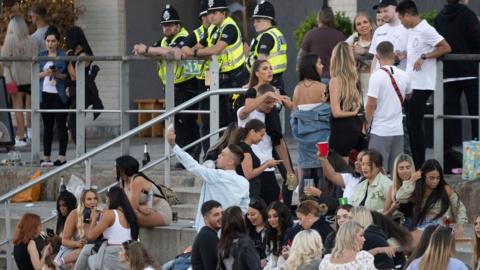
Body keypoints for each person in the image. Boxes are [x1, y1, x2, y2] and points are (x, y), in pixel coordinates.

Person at [133, 4, 199, 162]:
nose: (167, 28)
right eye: (164, 25)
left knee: (187, 123)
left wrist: (147, 49)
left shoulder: (185, 37)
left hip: (187, 86)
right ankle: (185, 157)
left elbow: (171, 51)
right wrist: (141, 50)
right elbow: (155, 51)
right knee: (174, 124)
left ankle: (192, 156)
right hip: (172, 88)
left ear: (178, 25)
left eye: (170, 25)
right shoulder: (164, 40)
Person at [396, 0, 452, 170]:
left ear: (407, 14)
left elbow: (446, 47)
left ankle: (420, 165)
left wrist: (426, 57)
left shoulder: (426, 29)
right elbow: (416, 51)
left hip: (422, 84)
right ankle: (417, 163)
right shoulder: (413, 31)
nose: (401, 22)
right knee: (412, 125)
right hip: (411, 84)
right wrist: (404, 54)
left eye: (401, 18)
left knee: (415, 124)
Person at [167, 127, 250, 231]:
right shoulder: (244, 182)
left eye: (223, 155)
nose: (219, 155)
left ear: (231, 162)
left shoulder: (216, 176)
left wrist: (173, 146)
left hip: (209, 229)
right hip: (230, 230)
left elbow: (193, 165)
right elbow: (243, 209)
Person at [242, 61, 297, 207]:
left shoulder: (277, 89)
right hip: (261, 139)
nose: (270, 71)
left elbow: (293, 107)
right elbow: (247, 110)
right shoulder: (252, 91)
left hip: (276, 135)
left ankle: (287, 207)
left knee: (290, 175)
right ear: (256, 73)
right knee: (264, 177)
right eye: (265, 69)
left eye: (271, 68)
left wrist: (283, 99)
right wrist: (266, 95)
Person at [188, 0, 248, 127]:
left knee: (235, 121)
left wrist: (193, 53)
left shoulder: (230, 26)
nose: (210, 16)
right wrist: (186, 51)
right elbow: (198, 46)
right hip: (217, 79)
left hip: (234, 79)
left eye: (214, 12)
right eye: (209, 13)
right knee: (218, 122)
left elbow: (216, 49)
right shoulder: (212, 28)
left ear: (223, 13)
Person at [435, 0, 480, 166]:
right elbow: (477, 41)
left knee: (448, 118)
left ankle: (450, 158)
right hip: (469, 71)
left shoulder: (439, 17)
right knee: (476, 115)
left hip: (447, 73)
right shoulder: (468, 15)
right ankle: (476, 159)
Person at [365, 41, 412, 173]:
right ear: (393, 55)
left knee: (377, 172)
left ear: (378, 57)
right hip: (398, 130)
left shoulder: (376, 76)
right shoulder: (404, 75)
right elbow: (409, 95)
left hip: (379, 130)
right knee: (397, 173)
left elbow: (371, 105)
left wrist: (366, 125)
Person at [290, 53, 330, 197]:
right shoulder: (322, 87)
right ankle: (322, 204)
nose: (322, 66)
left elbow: (294, 114)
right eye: (319, 64)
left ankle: (305, 204)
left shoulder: (297, 88)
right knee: (322, 173)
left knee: (305, 175)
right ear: (312, 67)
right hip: (321, 136)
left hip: (303, 138)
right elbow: (328, 112)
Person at [178, 0, 215, 155]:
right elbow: (183, 49)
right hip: (204, 77)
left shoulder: (221, 30)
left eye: (212, 14)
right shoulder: (198, 33)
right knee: (206, 119)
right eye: (206, 15)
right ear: (201, 17)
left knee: (222, 118)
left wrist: (203, 49)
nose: (209, 18)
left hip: (223, 75)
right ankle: (208, 154)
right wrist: (196, 49)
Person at [73, 186, 139, 270]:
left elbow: (90, 237)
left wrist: (93, 219)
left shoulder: (110, 214)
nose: (106, 201)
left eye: (107, 199)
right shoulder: (130, 215)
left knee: (88, 256)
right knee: (88, 249)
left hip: (113, 256)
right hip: (128, 255)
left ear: (112, 199)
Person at [237, 84, 282, 205]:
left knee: (272, 203)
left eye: (273, 103)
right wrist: (267, 94)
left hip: (268, 170)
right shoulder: (245, 113)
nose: (271, 106)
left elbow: (279, 142)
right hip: (257, 172)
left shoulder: (271, 116)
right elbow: (249, 174)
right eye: (268, 102)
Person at [399, 159, 467, 239]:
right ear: (423, 176)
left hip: (440, 223)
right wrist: (411, 180)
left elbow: (459, 208)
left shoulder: (445, 189)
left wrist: (460, 225)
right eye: (431, 178)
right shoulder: (417, 188)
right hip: (420, 223)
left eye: (437, 178)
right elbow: (400, 198)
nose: (435, 181)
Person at [1, 16, 38, 147]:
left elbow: (4, 60)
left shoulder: (10, 39)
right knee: (31, 108)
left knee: (18, 108)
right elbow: (35, 60)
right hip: (31, 78)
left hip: (14, 79)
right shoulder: (32, 40)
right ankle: (31, 135)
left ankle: (21, 136)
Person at [64, 26, 103, 144]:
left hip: (85, 90)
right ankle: (81, 153)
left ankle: (82, 153)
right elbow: (71, 75)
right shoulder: (72, 54)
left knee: (74, 122)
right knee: (73, 122)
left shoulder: (84, 54)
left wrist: (69, 59)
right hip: (77, 91)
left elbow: (75, 75)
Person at [38, 26, 68, 167]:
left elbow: (66, 76)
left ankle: (62, 157)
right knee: (47, 126)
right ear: (45, 42)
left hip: (59, 94)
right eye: (48, 41)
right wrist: (45, 73)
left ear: (58, 42)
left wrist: (56, 74)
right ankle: (46, 157)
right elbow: (35, 75)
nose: (50, 44)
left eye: (53, 41)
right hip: (45, 94)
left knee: (61, 125)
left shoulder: (63, 56)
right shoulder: (41, 56)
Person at [115, 155, 172, 227]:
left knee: (126, 215)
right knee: (117, 212)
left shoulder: (137, 180)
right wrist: (139, 207)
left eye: (115, 166)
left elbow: (132, 207)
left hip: (160, 212)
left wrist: (137, 207)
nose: (113, 169)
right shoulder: (123, 182)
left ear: (122, 169)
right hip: (145, 211)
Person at [231, 119, 281, 199]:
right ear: (252, 132)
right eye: (261, 135)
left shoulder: (243, 147)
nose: (262, 139)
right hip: (248, 192)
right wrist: (266, 164)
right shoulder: (245, 151)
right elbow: (249, 174)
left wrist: (267, 164)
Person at [328, 42, 361, 160]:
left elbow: (336, 112)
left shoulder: (335, 81)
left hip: (340, 129)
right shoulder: (353, 79)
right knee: (347, 168)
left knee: (339, 170)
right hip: (352, 127)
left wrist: (353, 112)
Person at [245, 1, 287, 93]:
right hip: (275, 80)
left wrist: (251, 84)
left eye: (258, 21)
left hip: (266, 82)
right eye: (254, 21)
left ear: (268, 20)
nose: (254, 24)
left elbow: (260, 63)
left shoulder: (266, 36)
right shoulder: (276, 33)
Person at [298, 6, 345, 82]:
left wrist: (301, 73)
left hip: (316, 78)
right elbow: (346, 58)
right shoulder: (340, 36)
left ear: (318, 19)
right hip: (336, 78)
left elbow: (301, 56)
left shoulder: (310, 34)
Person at [55, 188, 99, 268]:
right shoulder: (75, 214)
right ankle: (59, 262)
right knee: (74, 263)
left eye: (95, 198)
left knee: (86, 251)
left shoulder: (101, 214)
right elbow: (64, 241)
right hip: (71, 250)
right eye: (89, 199)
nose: (93, 201)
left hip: (90, 251)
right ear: (83, 201)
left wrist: (94, 219)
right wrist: (77, 243)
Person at [370, 0, 408, 71]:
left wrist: (404, 55)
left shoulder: (407, 29)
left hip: (400, 77)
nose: (383, 15)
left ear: (396, 9)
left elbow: (416, 53)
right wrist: (372, 76)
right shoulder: (378, 31)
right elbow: (375, 57)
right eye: (380, 12)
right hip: (380, 76)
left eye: (385, 11)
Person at [383, 153, 420, 230]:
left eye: (407, 167)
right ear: (396, 170)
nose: (405, 171)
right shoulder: (393, 188)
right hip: (401, 224)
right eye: (401, 168)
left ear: (412, 168)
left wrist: (412, 181)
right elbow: (384, 215)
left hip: (418, 223)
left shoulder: (418, 184)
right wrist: (392, 209)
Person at [345, 13, 375, 103]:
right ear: (356, 29)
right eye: (358, 24)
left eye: (365, 22)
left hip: (375, 83)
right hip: (358, 85)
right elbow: (340, 50)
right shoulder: (354, 40)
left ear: (370, 24)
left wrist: (363, 51)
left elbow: (383, 55)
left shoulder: (378, 38)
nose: (362, 26)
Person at [191, 200, 222, 270]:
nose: (221, 217)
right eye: (216, 215)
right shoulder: (207, 237)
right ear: (206, 219)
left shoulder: (208, 234)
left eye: (222, 213)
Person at [265, 201, 293, 268]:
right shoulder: (271, 233)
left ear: (283, 216)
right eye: (269, 217)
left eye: (275, 216)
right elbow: (272, 260)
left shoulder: (291, 233)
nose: (272, 220)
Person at [245, 198, 268, 267]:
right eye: (248, 214)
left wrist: (267, 260)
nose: (249, 217)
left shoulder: (270, 230)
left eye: (253, 214)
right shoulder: (247, 230)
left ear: (262, 213)